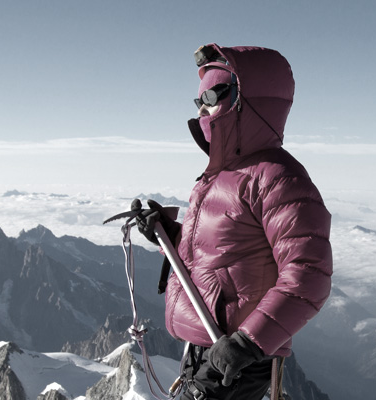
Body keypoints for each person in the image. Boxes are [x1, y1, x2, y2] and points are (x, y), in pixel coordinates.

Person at [133, 43, 333, 400]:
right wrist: (167, 232)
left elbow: (308, 275)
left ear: (246, 98)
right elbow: (218, 255)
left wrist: (248, 342)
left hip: (239, 362)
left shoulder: (279, 178)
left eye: (211, 95)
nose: (202, 108)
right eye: (199, 100)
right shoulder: (222, 175)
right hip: (209, 350)